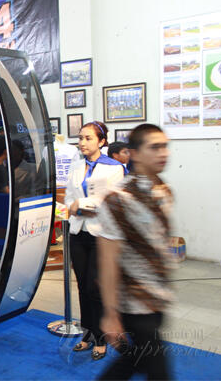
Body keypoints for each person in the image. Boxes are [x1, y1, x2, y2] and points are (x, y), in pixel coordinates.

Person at [97, 124, 173, 380]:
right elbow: (107, 260)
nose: (163, 153)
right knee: (159, 372)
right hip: (133, 303)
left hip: (158, 298)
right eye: (155, 147)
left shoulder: (164, 192)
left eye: (165, 146)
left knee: (133, 361)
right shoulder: (117, 199)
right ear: (134, 153)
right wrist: (110, 314)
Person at [64, 121, 125, 360]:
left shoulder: (115, 168)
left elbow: (114, 200)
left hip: (102, 234)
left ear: (101, 141)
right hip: (78, 231)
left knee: (94, 288)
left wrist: (87, 205)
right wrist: (74, 208)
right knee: (81, 286)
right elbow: (70, 197)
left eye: (88, 138)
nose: (82, 142)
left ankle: (101, 338)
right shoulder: (76, 165)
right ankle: (88, 333)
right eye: (80, 138)